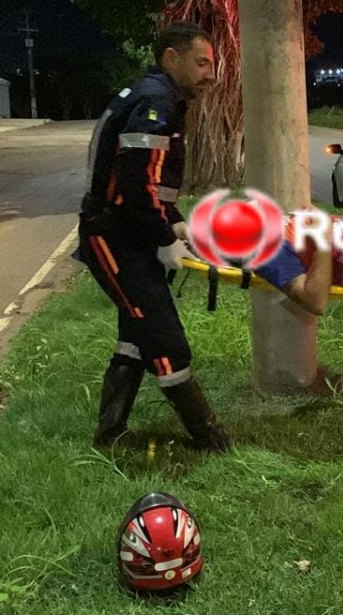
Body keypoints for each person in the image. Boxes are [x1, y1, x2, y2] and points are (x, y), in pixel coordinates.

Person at [76, 22, 230, 452]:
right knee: (164, 337)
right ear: (170, 58)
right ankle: (209, 438)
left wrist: (174, 221)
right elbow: (133, 184)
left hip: (129, 231)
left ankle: (109, 435)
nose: (210, 74)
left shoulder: (157, 97)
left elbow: (152, 184)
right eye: (202, 63)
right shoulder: (155, 102)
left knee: (135, 332)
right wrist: (164, 236)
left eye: (212, 65)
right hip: (113, 235)